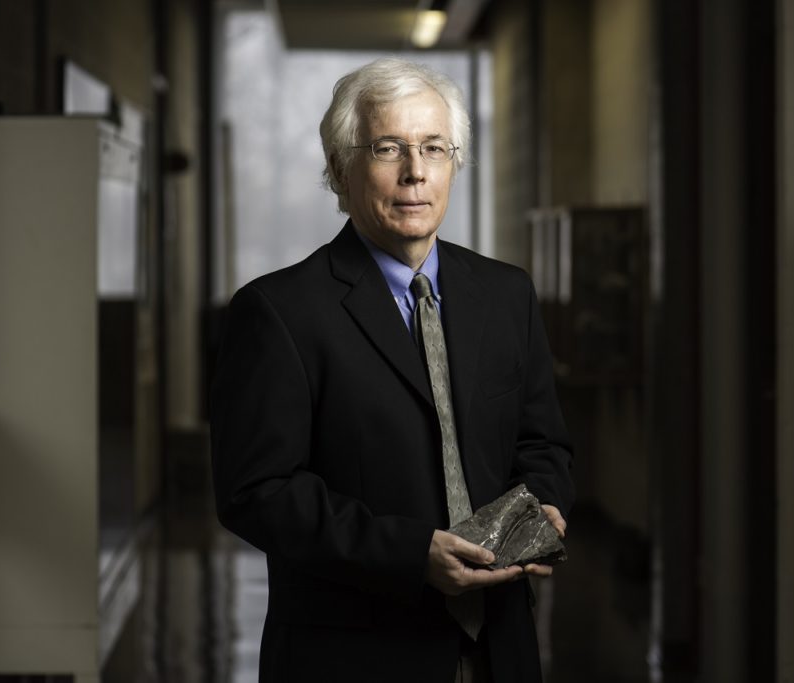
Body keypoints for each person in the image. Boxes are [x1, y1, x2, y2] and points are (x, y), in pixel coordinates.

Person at [210, 57, 574, 683]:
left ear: (454, 163)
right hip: (352, 656)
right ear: (339, 170)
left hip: (500, 649)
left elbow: (541, 443)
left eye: (434, 147)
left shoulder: (506, 294)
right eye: (388, 149)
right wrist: (412, 555)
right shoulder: (278, 312)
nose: (415, 173)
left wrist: (540, 511)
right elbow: (257, 492)